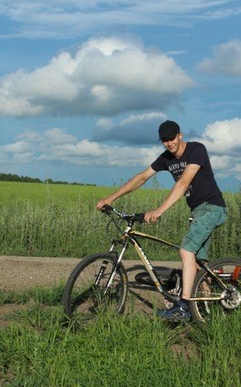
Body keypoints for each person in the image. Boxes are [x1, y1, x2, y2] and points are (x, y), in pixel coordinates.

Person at [96, 120, 227, 320]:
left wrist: (159, 210)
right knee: (198, 263)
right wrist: (110, 198)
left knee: (186, 250)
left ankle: (184, 307)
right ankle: (206, 311)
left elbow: (184, 182)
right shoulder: (166, 158)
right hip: (198, 211)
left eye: (172, 138)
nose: (169, 143)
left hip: (212, 207)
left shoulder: (196, 150)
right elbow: (141, 178)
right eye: (164, 140)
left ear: (180, 135)